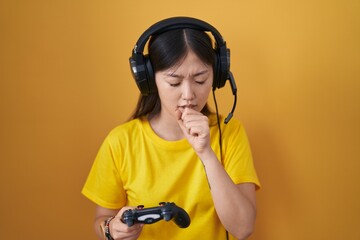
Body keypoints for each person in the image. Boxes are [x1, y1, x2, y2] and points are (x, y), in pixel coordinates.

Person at [82, 16, 261, 240]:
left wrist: (206, 153)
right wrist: (111, 229)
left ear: (217, 76)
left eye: (200, 79)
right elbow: (101, 220)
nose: (188, 95)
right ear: (149, 80)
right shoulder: (121, 142)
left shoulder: (230, 132)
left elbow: (243, 228)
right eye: (174, 83)